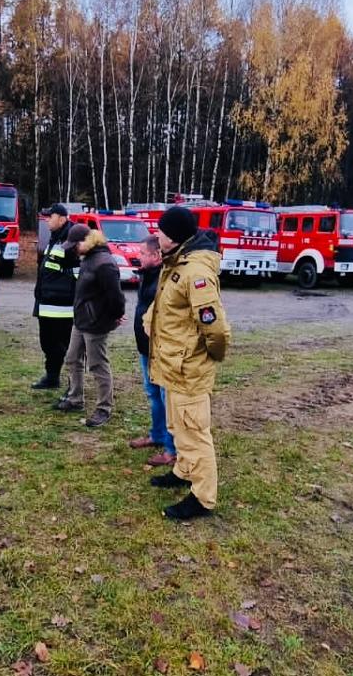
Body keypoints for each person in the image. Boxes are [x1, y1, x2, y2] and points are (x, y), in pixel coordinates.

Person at [145, 205, 230, 521]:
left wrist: (211, 355)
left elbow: (215, 327)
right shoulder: (177, 261)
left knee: (194, 433)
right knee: (178, 427)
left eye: (162, 232)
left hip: (189, 370)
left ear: (176, 237)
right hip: (173, 366)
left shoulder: (196, 272)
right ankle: (182, 471)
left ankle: (203, 497)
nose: (157, 235)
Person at [55, 226, 125, 427]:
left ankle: (104, 408)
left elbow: (116, 297)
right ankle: (75, 398)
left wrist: (114, 317)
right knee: (72, 358)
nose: (73, 250)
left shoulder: (104, 263)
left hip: (96, 324)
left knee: (97, 364)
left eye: (75, 245)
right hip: (81, 320)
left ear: (89, 240)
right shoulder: (88, 259)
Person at [129, 235, 176, 467]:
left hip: (160, 349)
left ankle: (172, 449)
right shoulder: (147, 275)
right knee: (154, 394)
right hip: (145, 347)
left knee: (167, 399)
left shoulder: (164, 278)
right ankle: (157, 435)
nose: (139, 256)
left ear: (157, 256)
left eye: (143, 253)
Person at [31, 204, 78, 390]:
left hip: (62, 303)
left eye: (50, 217)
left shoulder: (73, 238)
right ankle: (52, 377)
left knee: (62, 344)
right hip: (47, 300)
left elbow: (79, 270)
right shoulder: (55, 237)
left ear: (62, 218)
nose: (47, 220)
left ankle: (71, 383)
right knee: (47, 341)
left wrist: (63, 280)